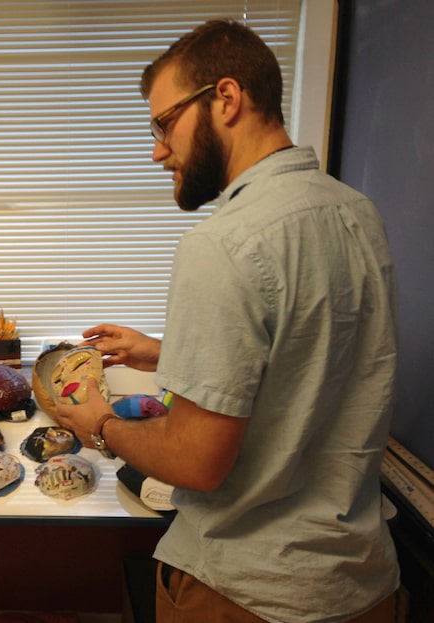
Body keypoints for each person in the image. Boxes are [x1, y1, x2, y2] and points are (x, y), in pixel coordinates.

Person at [52, 20, 400, 623]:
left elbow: (196, 460)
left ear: (227, 98)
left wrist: (101, 425)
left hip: (249, 594)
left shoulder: (224, 243)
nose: (158, 150)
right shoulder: (357, 214)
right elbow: (312, 349)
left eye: (164, 124)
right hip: (365, 585)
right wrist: (167, 351)